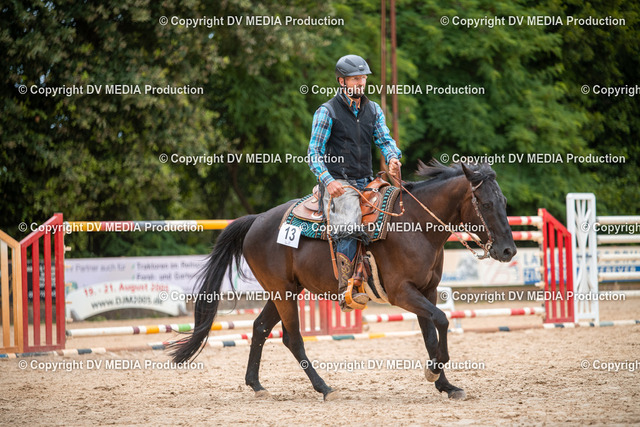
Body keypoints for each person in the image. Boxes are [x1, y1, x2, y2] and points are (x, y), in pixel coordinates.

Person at [307, 54, 402, 312]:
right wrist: (328, 181)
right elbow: (314, 153)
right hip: (339, 183)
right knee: (349, 224)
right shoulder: (327, 112)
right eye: (355, 79)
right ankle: (347, 289)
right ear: (342, 81)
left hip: (368, 180)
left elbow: (384, 139)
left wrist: (392, 157)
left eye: (363, 78)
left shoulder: (373, 109)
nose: (361, 83)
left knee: (396, 208)